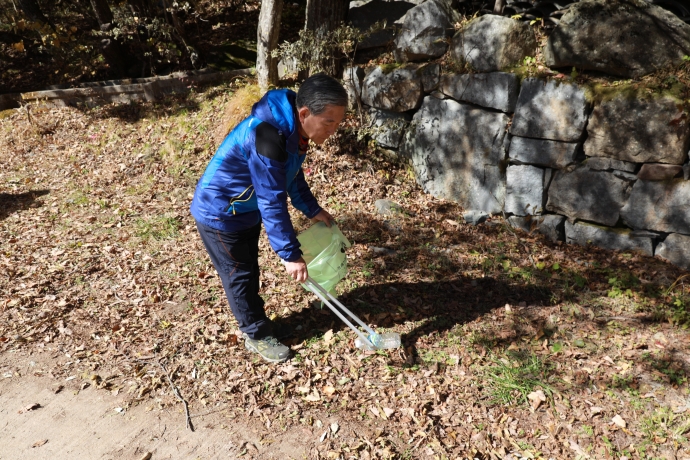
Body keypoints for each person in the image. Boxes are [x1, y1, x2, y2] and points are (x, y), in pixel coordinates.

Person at [190, 73, 348, 363]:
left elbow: (292, 176)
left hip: (245, 209)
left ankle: (256, 323)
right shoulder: (267, 137)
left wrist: (313, 210)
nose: (334, 129)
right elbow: (271, 199)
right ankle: (257, 335)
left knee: (248, 269)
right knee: (240, 275)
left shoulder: (293, 131)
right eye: (329, 121)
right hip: (220, 211)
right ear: (305, 113)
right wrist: (290, 254)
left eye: (338, 122)